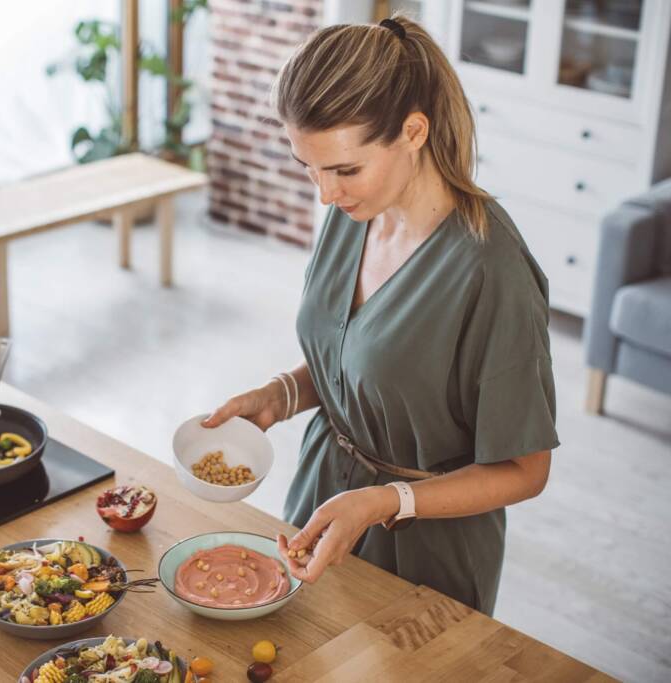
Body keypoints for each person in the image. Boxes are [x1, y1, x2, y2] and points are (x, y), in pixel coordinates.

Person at [201, 15, 559, 616]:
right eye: (308, 167)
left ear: (413, 131)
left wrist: (385, 501)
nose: (325, 194)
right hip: (323, 498)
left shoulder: (491, 271)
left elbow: (525, 470)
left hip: (429, 544)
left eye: (344, 169)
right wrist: (280, 396)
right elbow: (360, 357)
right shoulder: (354, 214)